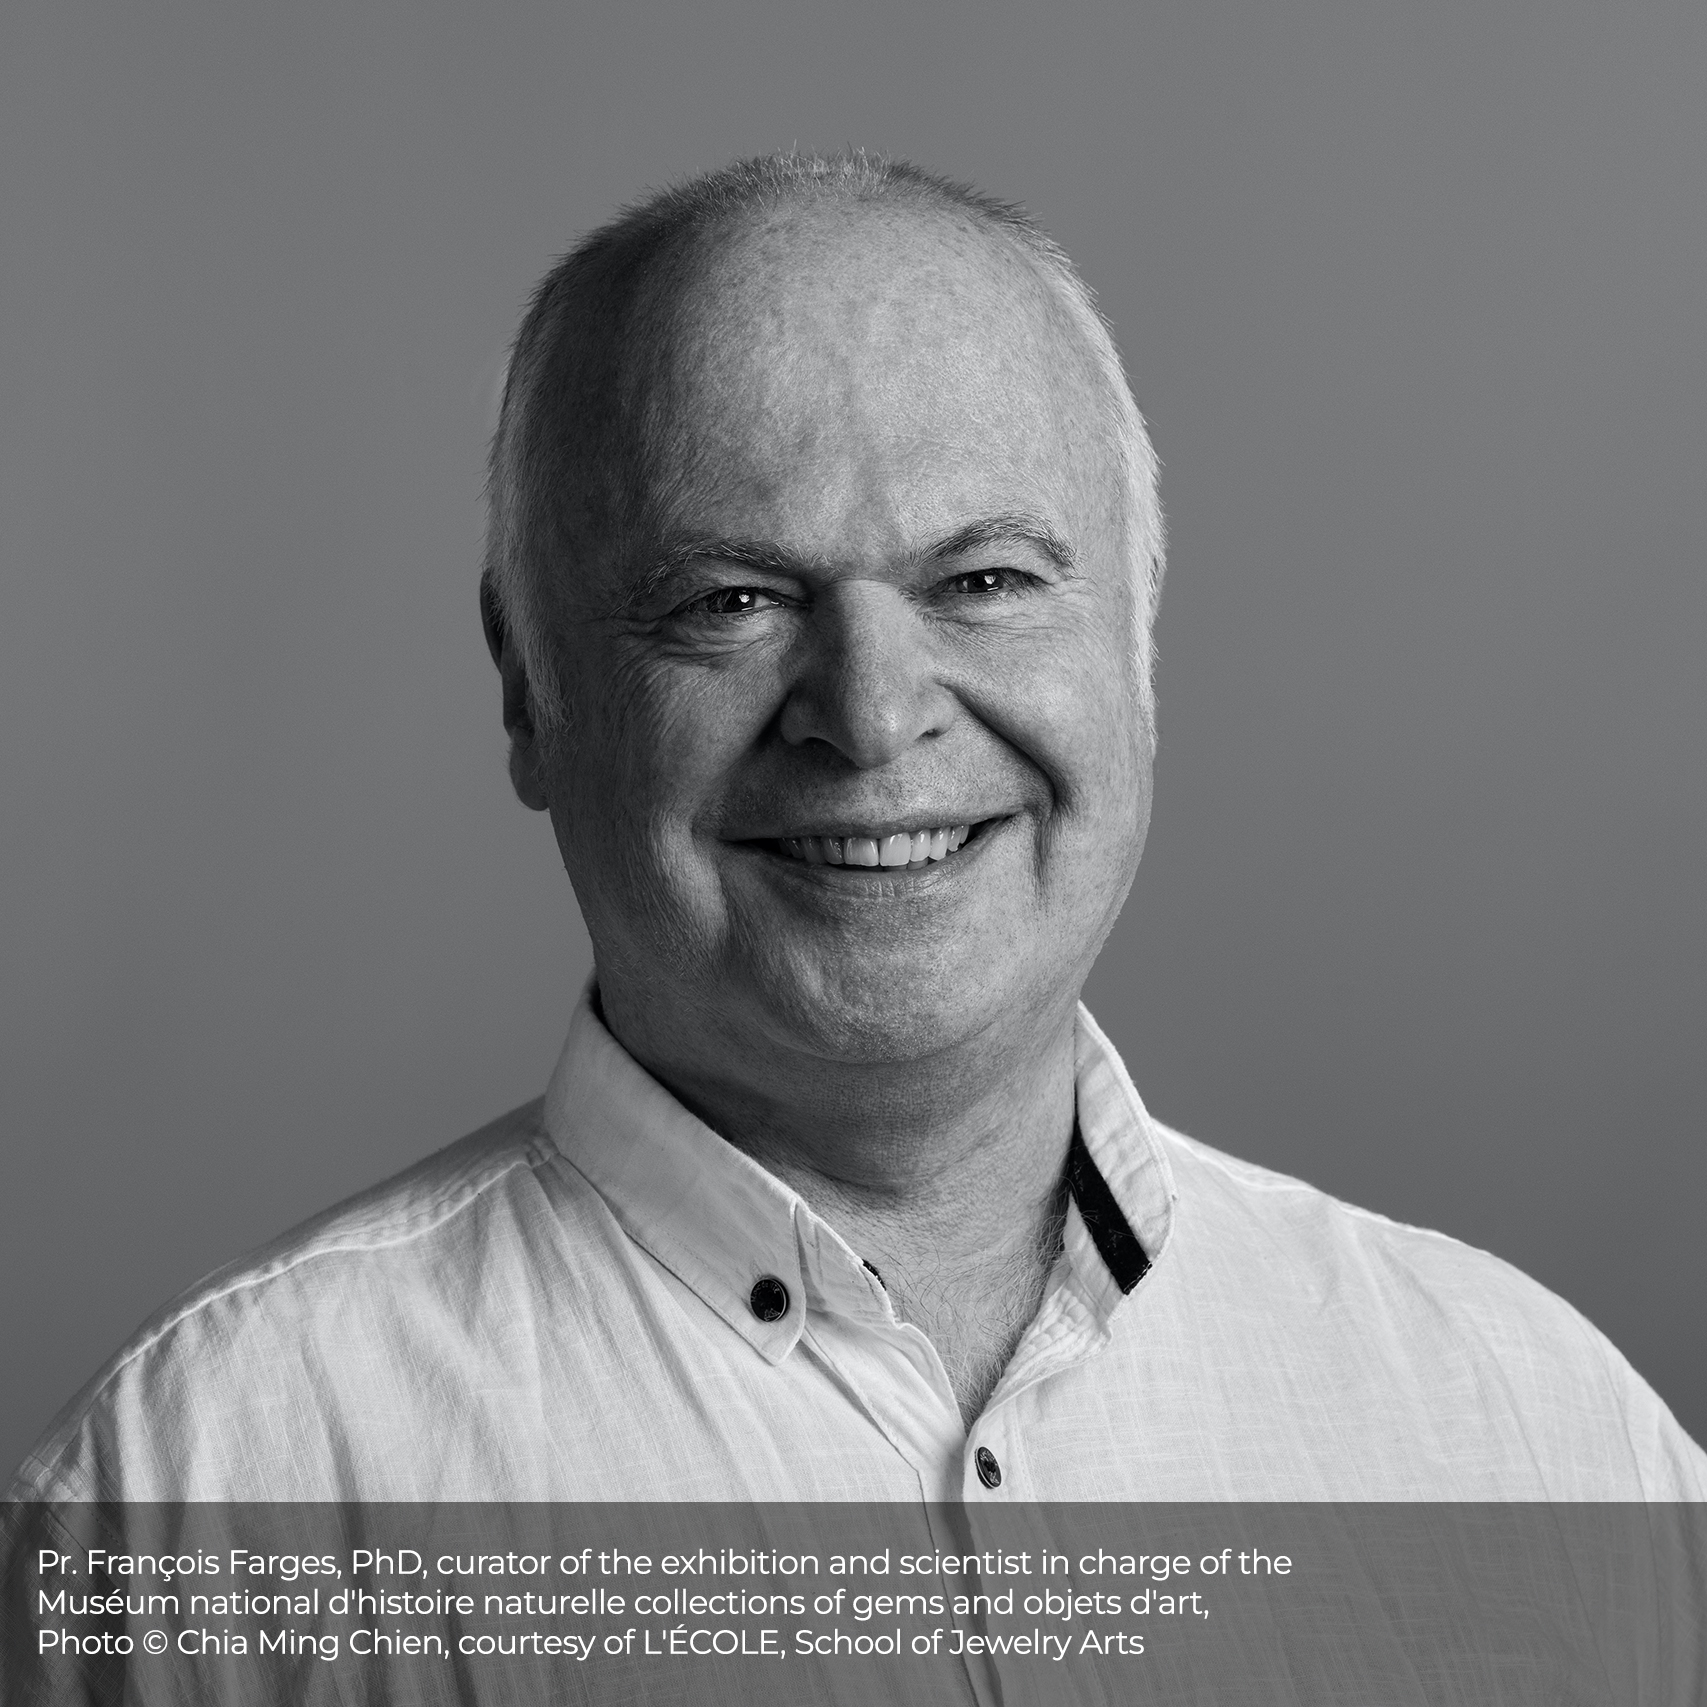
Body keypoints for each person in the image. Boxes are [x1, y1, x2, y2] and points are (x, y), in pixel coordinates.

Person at [7, 153, 1704, 1511]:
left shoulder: (1543, 1438)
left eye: (983, 580)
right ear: (529, 688)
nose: (874, 713)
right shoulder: (203, 1500)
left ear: (1140, 647)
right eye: (732, 599)